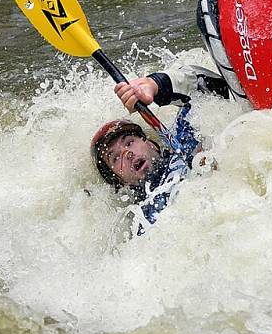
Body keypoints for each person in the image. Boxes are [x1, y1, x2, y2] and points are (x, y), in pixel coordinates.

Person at [90, 66, 230, 235]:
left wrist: (155, 85)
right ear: (121, 182)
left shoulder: (183, 136)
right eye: (115, 158)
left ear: (151, 143)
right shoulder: (145, 219)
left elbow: (216, 88)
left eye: (129, 142)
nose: (127, 154)